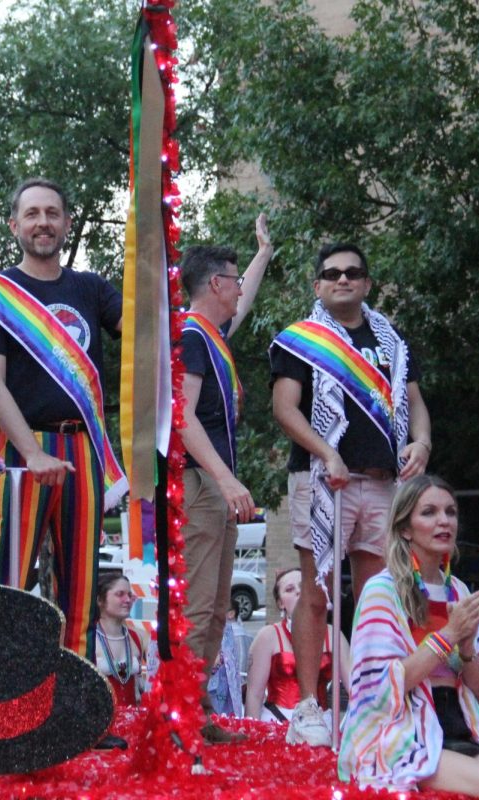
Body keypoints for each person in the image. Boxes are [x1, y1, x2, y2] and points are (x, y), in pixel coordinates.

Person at [269, 241, 432, 746]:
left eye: (353, 273)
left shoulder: (392, 341)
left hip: (384, 482)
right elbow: (285, 408)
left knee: (376, 596)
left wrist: (422, 441)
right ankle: (310, 707)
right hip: (324, 481)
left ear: (366, 282)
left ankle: (369, 697)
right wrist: (327, 452)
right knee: (315, 593)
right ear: (317, 284)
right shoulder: (300, 340)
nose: (343, 280)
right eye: (332, 273)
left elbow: (414, 402)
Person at [0, 177, 126, 660]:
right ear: (15, 225)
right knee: (10, 576)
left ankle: (73, 703)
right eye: (32, 214)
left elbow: (146, 334)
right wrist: (31, 454)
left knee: (81, 584)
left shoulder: (91, 288)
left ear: (67, 223)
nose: (43, 222)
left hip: (83, 450)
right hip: (20, 448)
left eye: (52, 213)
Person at [338, 476, 479, 799]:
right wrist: (449, 634)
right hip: (405, 734)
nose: (444, 520)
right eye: (429, 512)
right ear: (405, 528)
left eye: (451, 512)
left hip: (460, 725)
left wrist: (467, 646)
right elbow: (383, 686)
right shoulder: (381, 590)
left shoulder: (457, 590)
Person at [175, 218, 272, 742]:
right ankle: (179, 716)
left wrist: (262, 254)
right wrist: (226, 481)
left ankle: (196, 709)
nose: (239, 289)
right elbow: (181, 416)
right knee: (198, 605)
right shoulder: (191, 336)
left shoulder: (211, 335)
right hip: (202, 484)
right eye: (232, 280)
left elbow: (246, 298)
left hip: (216, 486)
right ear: (215, 284)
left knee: (215, 607)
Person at [244, 568, 350, 724]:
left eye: (303, 587)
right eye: (289, 589)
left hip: (323, 722)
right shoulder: (268, 636)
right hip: (276, 723)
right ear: (281, 603)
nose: (298, 592)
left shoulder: (333, 635)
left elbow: (355, 690)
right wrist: (252, 735)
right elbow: (254, 695)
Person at [94, 573, 148, 708]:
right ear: (100, 600)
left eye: (129, 595)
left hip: (132, 722)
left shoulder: (138, 637)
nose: (128, 600)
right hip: (101, 724)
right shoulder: (89, 637)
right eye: (120, 594)